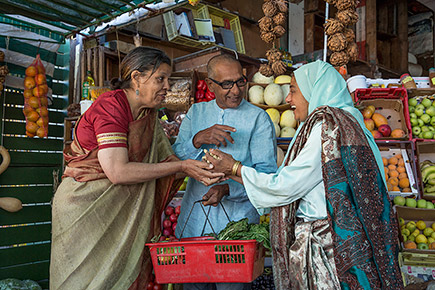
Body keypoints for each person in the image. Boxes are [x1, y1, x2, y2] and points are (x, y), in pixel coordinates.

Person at [205, 60, 403, 290]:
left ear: (314, 91)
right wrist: (234, 171)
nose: (288, 99)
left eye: (294, 90)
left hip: (327, 249)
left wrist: (235, 168)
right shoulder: (350, 119)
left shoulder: (326, 128)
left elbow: (285, 186)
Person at [50, 47, 223, 290]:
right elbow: (118, 172)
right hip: (85, 210)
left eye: (168, 80)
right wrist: (183, 165)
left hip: (116, 211)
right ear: (136, 77)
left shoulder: (148, 115)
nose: (167, 87)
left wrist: (207, 168)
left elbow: (165, 164)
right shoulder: (111, 106)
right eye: (160, 79)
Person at [172, 54, 277, 290]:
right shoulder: (195, 114)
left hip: (237, 232)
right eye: (226, 84)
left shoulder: (258, 119)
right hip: (194, 226)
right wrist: (198, 139)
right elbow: (175, 160)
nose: (236, 91)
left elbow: (267, 175)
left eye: (240, 81)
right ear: (210, 85)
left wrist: (228, 188)